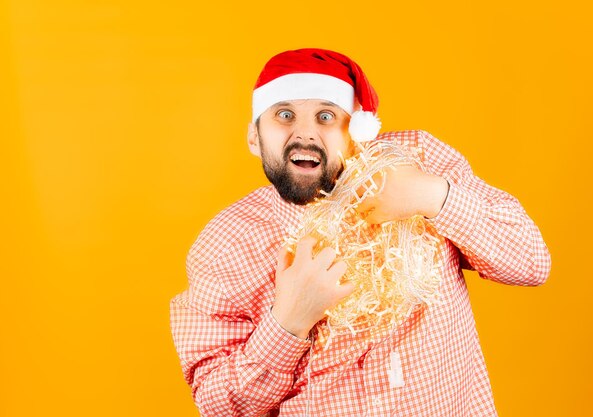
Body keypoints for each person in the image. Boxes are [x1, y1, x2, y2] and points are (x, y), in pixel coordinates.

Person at [170, 48, 551, 417]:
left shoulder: (416, 159)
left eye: (326, 115)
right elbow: (218, 405)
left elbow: (531, 263)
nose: (305, 133)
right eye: (284, 115)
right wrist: (288, 321)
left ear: (356, 132)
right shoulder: (226, 244)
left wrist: (431, 195)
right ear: (254, 138)